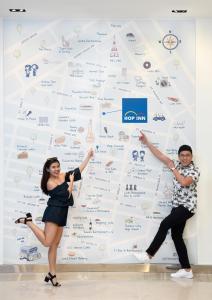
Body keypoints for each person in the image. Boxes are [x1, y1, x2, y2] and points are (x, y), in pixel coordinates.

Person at [15, 149, 94, 286]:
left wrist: (88, 157)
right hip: (53, 213)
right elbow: (66, 196)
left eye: (58, 166)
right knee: (47, 242)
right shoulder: (50, 183)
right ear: (48, 169)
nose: (57, 169)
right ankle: (28, 222)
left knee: (55, 245)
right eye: (53, 167)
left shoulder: (63, 175)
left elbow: (78, 171)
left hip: (62, 213)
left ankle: (52, 273)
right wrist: (71, 183)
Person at [134, 132, 200, 279]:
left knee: (164, 224)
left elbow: (183, 182)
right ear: (179, 156)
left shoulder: (194, 171)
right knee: (177, 236)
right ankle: (187, 270)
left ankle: (148, 254)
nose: (184, 157)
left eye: (187, 155)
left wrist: (173, 169)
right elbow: (160, 156)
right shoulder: (176, 164)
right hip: (177, 206)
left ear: (191, 157)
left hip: (187, 207)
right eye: (182, 155)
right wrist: (147, 143)